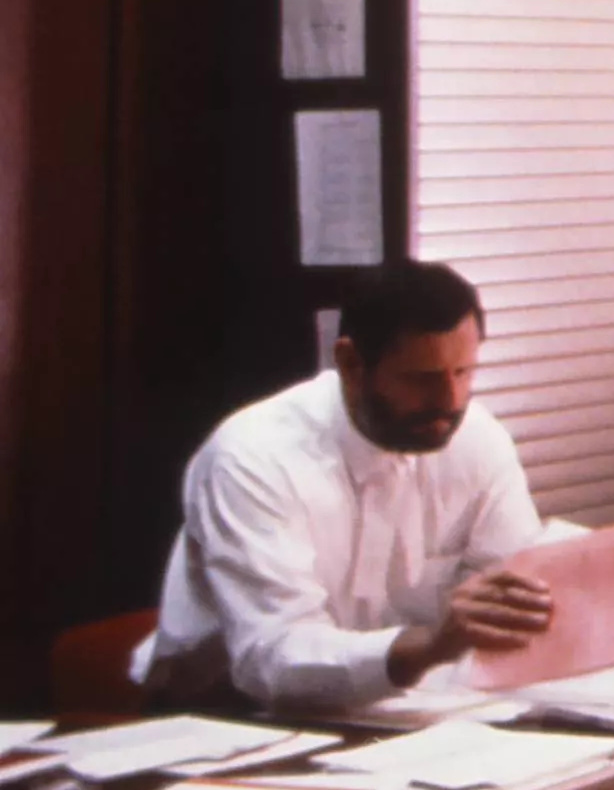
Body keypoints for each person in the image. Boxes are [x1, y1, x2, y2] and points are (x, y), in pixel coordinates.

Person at [137, 259, 557, 709]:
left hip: (402, 712)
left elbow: (510, 589)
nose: (450, 402)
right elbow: (272, 656)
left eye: (463, 373)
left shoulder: (478, 440)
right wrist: (432, 644)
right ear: (350, 363)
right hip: (229, 716)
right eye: (422, 379)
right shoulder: (251, 457)